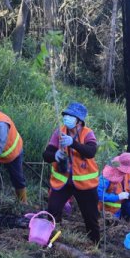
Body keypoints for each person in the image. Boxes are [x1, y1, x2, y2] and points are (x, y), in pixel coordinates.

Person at [42, 102, 100, 244]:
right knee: (53, 210)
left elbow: (91, 152)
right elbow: (46, 154)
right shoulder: (59, 132)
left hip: (85, 184)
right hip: (62, 181)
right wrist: (55, 155)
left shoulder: (87, 133)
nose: (67, 118)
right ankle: (53, 238)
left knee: (90, 217)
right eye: (66, 115)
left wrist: (73, 143)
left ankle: (94, 245)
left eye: (71, 116)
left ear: (79, 121)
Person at [98, 152, 130, 229]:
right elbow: (99, 194)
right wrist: (117, 197)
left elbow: (128, 181)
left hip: (126, 200)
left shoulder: (128, 170)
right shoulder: (107, 174)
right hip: (111, 206)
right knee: (113, 226)